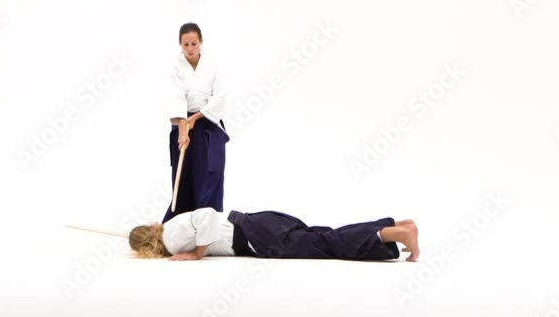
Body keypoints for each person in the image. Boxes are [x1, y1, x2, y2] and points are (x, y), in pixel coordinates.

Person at [130, 207, 420, 262]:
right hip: (262, 223)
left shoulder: (170, 239)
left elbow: (206, 214)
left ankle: (395, 234)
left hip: (259, 237)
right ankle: (397, 225)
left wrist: (197, 253)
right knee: (325, 237)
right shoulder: (170, 226)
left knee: (327, 244)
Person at [164, 23, 229, 223]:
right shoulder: (175, 66)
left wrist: (194, 119)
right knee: (183, 178)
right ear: (180, 44)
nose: (190, 49)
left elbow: (220, 97)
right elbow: (175, 97)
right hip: (183, 125)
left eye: (194, 44)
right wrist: (183, 128)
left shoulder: (213, 65)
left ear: (201, 42)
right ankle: (181, 227)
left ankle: (207, 226)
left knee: (210, 174)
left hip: (207, 124)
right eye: (186, 45)